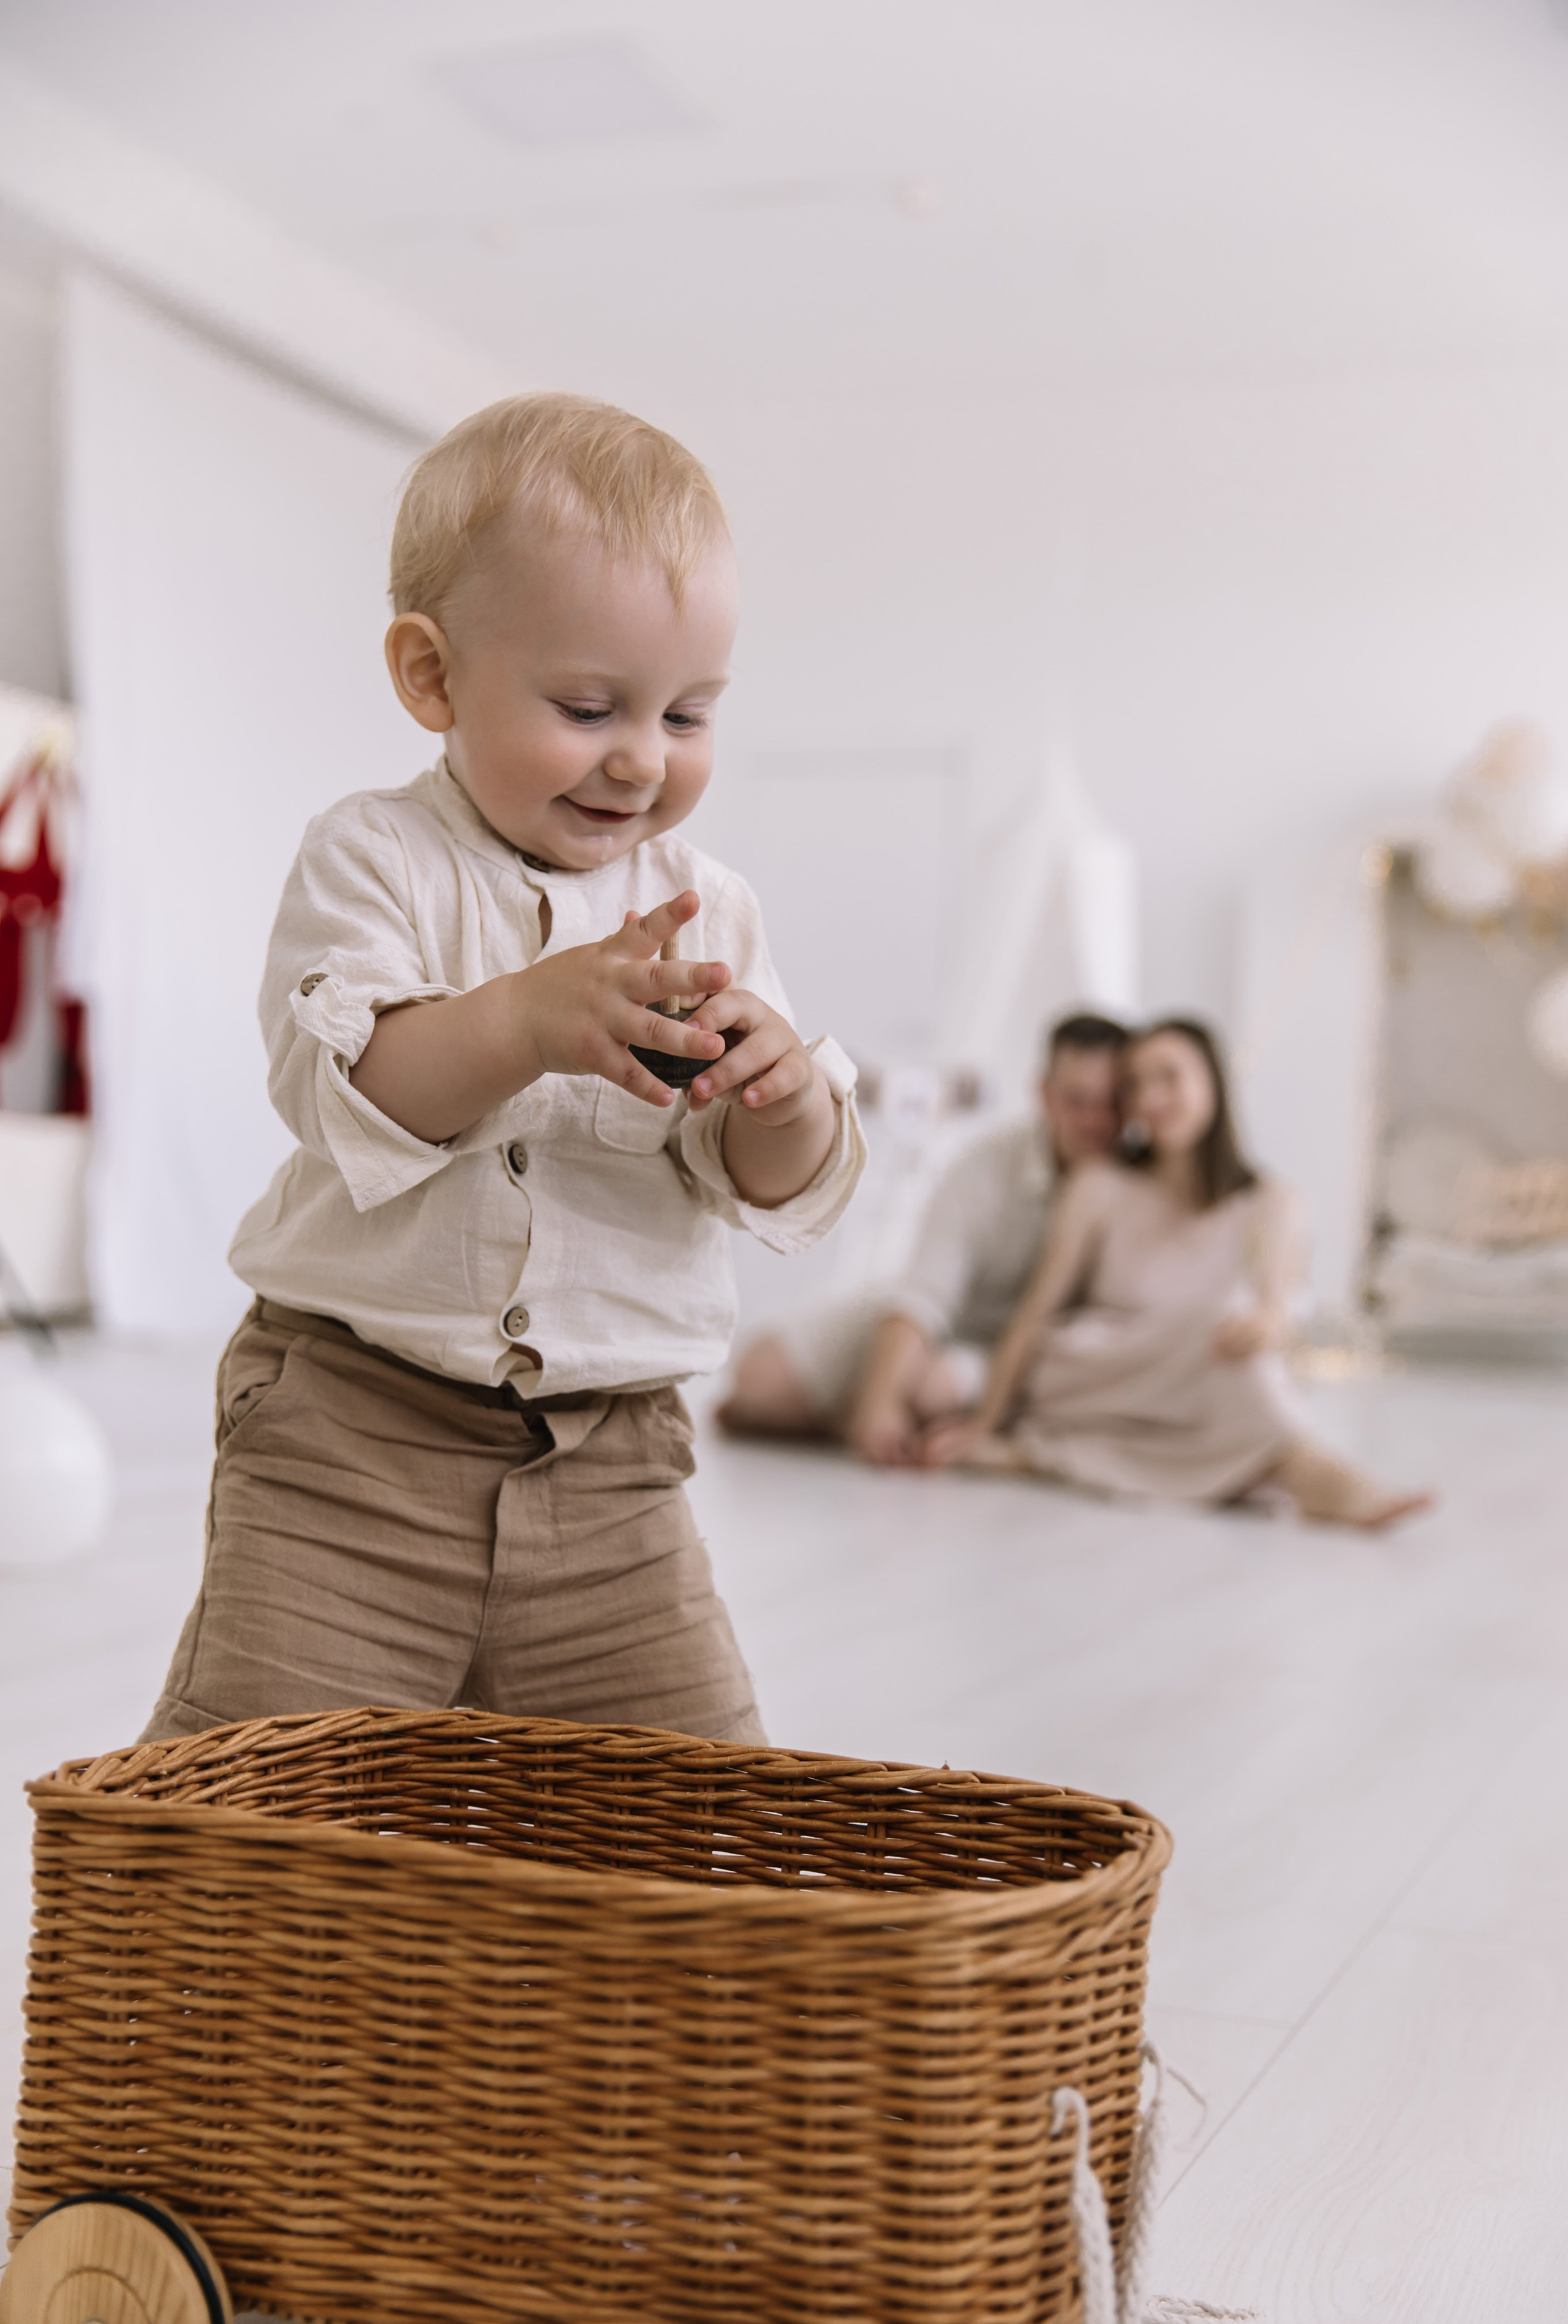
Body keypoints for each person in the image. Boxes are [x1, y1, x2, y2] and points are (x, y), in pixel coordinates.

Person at [142, 393, 865, 1747]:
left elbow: (758, 1183)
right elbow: (348, 1092)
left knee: (707, 1817)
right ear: (431, 678)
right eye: (589, 707)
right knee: (243, 1798)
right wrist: (525, 1022)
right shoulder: (374, 859)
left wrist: (790, 1098)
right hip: (352, 1445)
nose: (643, 759)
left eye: (689, 714)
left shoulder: (711, 909)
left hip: (614, 1481)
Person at [924, 1019, 1432, 1530]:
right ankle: (1312, 1476)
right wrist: (984, 1423)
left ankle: (1052, 1456)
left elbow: (1277, 1315)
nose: (1151, 1098)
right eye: (1136, 1086)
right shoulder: (1100, 1185)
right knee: (1221, 1326)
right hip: (1094, 1370)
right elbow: (1037, 1310)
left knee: (1237, 1343)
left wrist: (1263, 1328)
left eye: (1169, 1078)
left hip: (1200, 1381)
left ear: (1213, 1080)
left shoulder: (1272, 1203)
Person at [718, 1012, 1128, 1462]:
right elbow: (925, 1293)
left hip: (1008, 1355)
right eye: (1078, 1100)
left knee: (936, 1388)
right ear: (1045, 1095)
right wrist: (878, 1406)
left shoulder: (1135, 1185)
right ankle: (867, 1415)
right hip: (945, 1319)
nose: (1095, 1119)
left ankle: (894, 1412)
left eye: (1109, 1103)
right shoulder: (988, 1165)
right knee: (758, 1378)